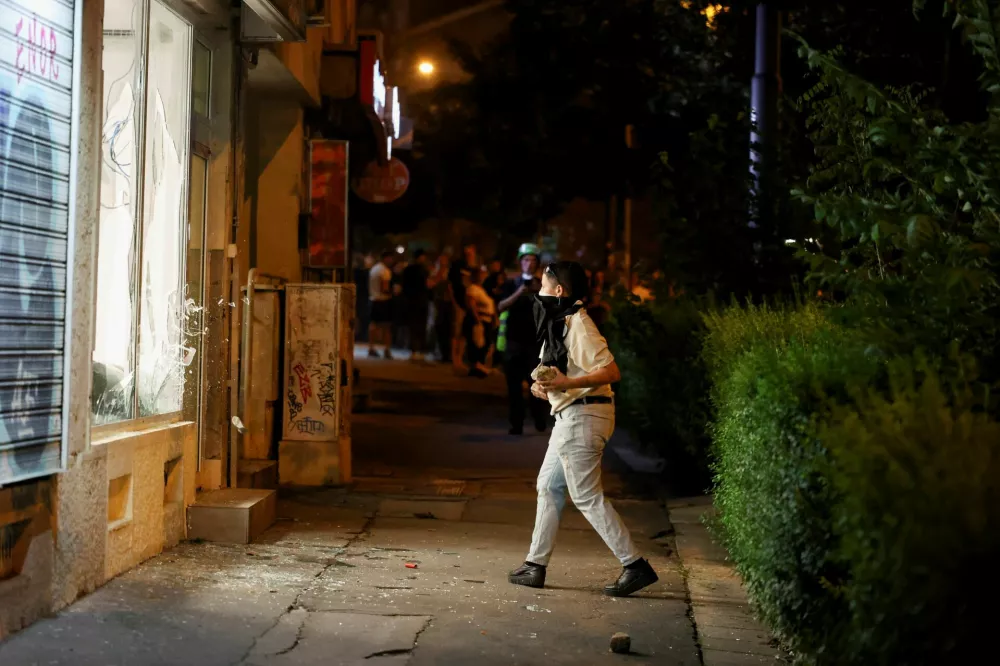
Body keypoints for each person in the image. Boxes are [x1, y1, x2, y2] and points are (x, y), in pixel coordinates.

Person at [508, 261, 658, 598]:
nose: (539, 292)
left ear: (559, 290)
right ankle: (534, 565)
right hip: (570, 416)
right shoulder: (560, 323)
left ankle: (634, 565)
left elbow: (611, 372)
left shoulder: (580, 323)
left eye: (544, 286)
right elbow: (561, 372)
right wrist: (543, 386)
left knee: (586, 495)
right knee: (548, 486)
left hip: (584, 417)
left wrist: (567, 384)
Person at [497, 243, 548, 435]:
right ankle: (516, 423)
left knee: (537, 384)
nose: (529, 263)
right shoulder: (511, 284)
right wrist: (519, 292)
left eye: (533, 260)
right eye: (526, 260)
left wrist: (538, 292)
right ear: (520, 262)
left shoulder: (543, 285)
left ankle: (539, 419)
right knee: (514, 386)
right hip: (514, 341)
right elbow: (501, 306)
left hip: (535, 343)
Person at [448, 241, 477, 370]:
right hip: (459, 303)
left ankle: (460, 358)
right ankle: (455, 359)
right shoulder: (457, 264)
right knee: (457, 332)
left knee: (465, 333)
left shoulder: (472, 267)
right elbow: (450, 285)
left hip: (469, 304)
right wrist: (454, 303)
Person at [402, 249, 434, 362]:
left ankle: (417, 350)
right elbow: (428, 285)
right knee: (417, 326)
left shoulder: (412, 270)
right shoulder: (420, 270)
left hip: (416, 301)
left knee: (417, 326)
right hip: (418, 301)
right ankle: (416, 350)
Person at [465, 267, 497, 378]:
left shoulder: (482, 289)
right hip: (480, 319)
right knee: (479, 343)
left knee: (485, 343)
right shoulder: (473, 288)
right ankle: (476, 366)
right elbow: (472, 304)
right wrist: (477, 319)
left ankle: (479, 366)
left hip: (487, 320)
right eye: (481, 275)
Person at [368, 251, 395, 359]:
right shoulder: (385, 271)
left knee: (373, 325)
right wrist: (394, 292)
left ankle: (371, 348)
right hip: (383, 301)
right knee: (387, 327)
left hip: (373, 299)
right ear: (386, 258)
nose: (392, 260)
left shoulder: (374, 269)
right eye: (391, 258)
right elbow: (385, 288)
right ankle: (387, 349)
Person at [431, 254, 454, 363]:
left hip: (448, 303)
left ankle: (447, 354)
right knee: (439, 327)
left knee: (447, 328)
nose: (442, 262)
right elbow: (432, 283)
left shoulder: (450, 272)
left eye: (444, 260)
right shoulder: (435, 272)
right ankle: (440, 352)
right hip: (439, 302)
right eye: (441, 260)